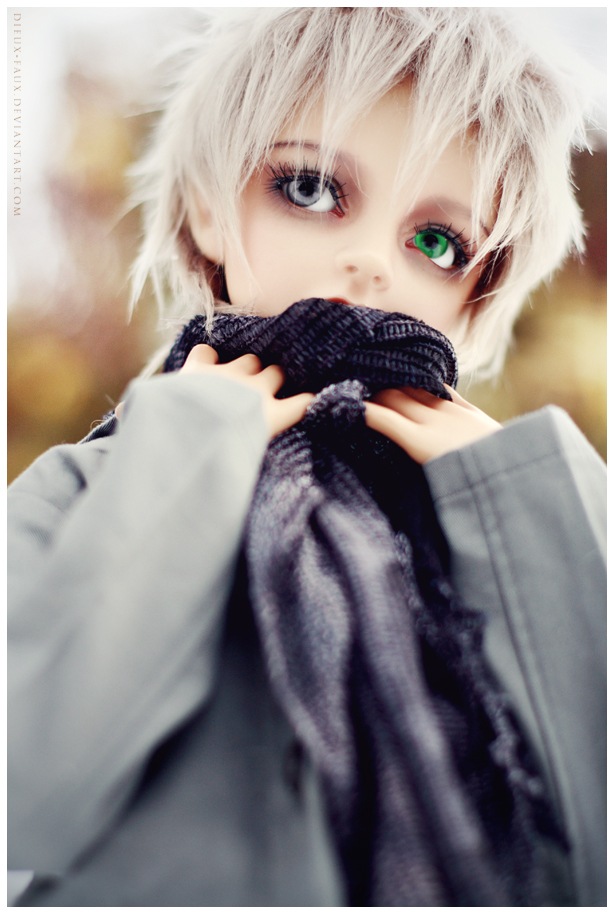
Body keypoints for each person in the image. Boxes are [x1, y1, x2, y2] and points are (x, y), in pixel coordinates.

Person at [8, 7, 605, 907]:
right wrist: (187, 452)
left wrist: (542, 512)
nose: (369, 263)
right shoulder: (86, 489)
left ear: (474, 300)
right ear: (209, 210)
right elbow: (26, 794)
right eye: (311, 188)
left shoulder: (502, 521)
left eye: (435, 242)